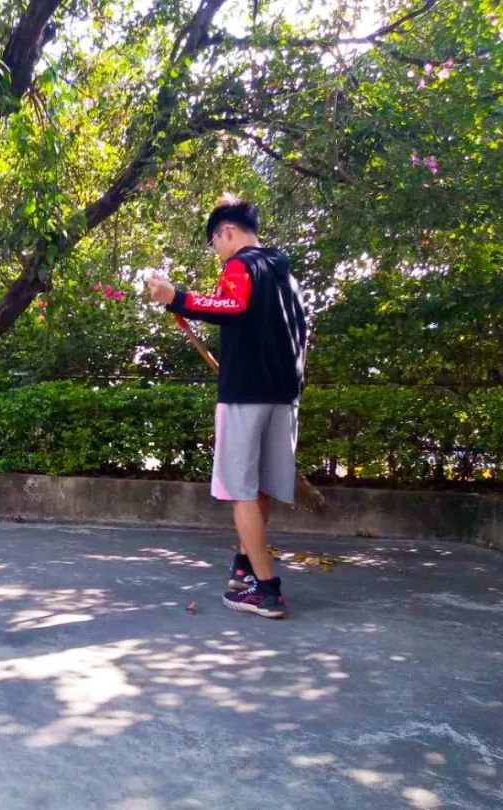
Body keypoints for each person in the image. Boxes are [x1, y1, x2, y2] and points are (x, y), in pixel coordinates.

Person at [146, 194, 307, 619]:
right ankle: (245, 567)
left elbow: (231, 305)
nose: (217, 252)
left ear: (228, 233)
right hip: (284, 396)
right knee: (261, 488)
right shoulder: (285, 275)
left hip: (245, 394)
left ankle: (266, 591)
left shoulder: (241, 265)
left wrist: (175, 296)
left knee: (240, 491)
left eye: (214, 242)